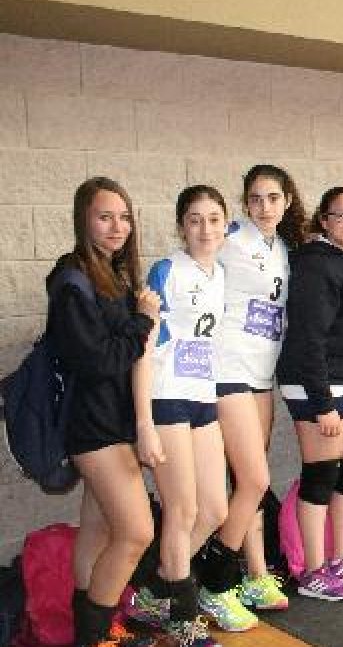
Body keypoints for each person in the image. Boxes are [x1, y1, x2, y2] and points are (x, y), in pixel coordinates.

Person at [49, 178, 159, 647]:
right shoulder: (73, 279)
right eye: (105, 216)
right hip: (94, 427)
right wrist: (142, 321)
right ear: (83, 219)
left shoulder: (112, 274)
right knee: (136, 533)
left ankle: (94, 626)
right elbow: (95, 362)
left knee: (97, 530)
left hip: (109, 422)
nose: (117, 227)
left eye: (124, 216)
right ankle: (93, 637)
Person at [126, 186, 230, 644]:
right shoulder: (168, 270)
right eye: (194, 219)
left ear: (226, 224)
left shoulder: (220, 272)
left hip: (203, 397)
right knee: (182, 511)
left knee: (214, 509)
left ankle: (153, 591)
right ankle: (183, 618)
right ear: (181, 226)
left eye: (213, 219)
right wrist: (144, 422)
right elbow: (144, 351)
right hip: (167, 398)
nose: (205, 229)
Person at [202, 165, 305, 624]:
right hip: (228, 370)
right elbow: (192, 267)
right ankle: (215, 581)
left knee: (250, 483)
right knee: (256, 480)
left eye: (273, 198)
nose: (265, 207)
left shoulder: (283, 248)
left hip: (262, 375)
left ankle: (256, 573)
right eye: (256, 199)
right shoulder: (229, 239)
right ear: (245, 204)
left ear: (286, 202)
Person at [276, 187, 343, 600]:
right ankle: (313, 571)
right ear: (324, 220)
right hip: (317, 383)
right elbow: (309, 339)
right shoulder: (316, 267)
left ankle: (342, 558)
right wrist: (321, 403)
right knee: (321, 476)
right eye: (341, 216)